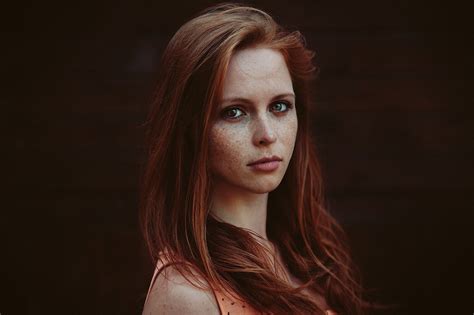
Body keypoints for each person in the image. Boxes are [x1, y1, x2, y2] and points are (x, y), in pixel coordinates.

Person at [140, 3, 370, 314]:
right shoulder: (188, 294)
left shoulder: (304, 258)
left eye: (279, 107)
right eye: (234, 112)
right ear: (191, 130)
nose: (267, 134)